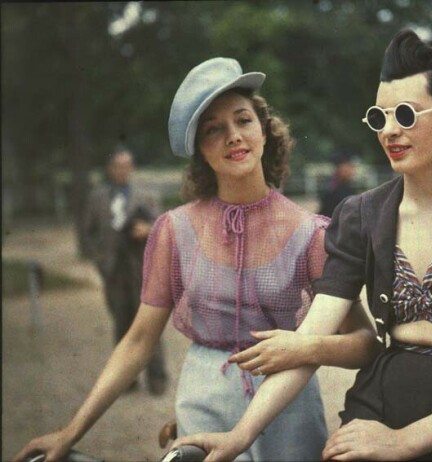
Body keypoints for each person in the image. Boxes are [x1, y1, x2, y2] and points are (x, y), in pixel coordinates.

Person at [170, 30, 432, 461]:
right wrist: (240, 435)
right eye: (380, 117)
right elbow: (310, 338)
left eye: (407, 115)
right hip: (378, 404)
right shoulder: (360, 215)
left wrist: (404, 441)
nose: (390, 131)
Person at [13, 57, 378, 462]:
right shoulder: (174, 230)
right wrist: (69, 432)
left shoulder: (313, 233)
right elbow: (137, 341)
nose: (233, 137)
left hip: (289, 411)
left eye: (243, 121)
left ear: (264, 131)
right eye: (213, 129)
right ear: (200, 150)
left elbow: (365, 344)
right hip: (203, 403)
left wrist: (306, 349)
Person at [82, 147, 168, 395]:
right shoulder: (98, 197)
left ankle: (157, 379)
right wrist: (100, 259)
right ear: (110, 170)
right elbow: (88, 232)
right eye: (118, 166)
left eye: (127, 166)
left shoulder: (145, 196)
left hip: (142, 269)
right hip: (114, 271)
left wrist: (148, 229)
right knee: (121, 324)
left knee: (150, 326)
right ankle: (125, 381)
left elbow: (164, 228)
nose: (123, 171)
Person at [318, 150, 358, 218]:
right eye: (349, 166)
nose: (352, 170)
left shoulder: (348, 187)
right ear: (339, 168)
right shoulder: (332, 190)